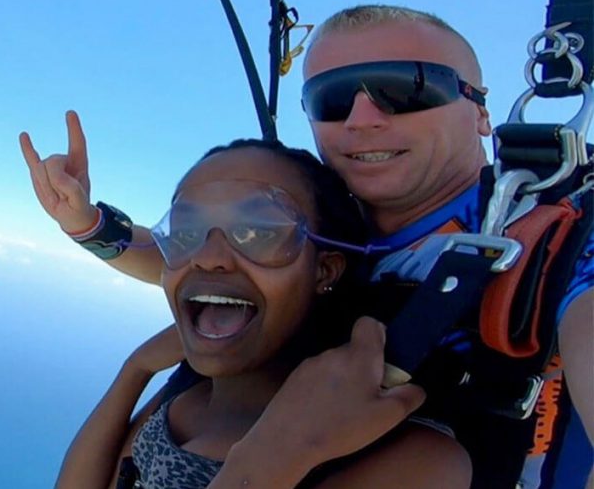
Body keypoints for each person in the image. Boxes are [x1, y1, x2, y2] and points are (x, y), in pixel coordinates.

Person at [19, 5, 593, 488]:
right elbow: (201, 260)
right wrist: (91, 226)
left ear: (482, 110)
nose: (363, 119)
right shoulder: (322, 214)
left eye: (407, 88)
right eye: (332, 99)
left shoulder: (558, 240)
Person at [24, 137, 471, 488]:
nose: (207, 257)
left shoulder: (411, 457)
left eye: (258, 231)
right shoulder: (186, 399)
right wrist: (135, 369)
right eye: (187, 230)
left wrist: (285, 452)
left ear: (325, 269)